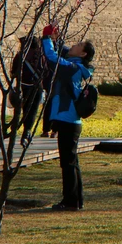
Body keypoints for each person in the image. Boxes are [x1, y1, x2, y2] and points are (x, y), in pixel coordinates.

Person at [40, 24, 95, 211]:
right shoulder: (76, 65)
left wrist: (47, 38)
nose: (74, 45)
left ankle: (70, 202)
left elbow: (52, 58)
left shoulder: (72, 68)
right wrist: (55, 38)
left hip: (68, 121)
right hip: (69, 120)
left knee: (68, 163)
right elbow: (62, 51)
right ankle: (76, 201)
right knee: (71, 162)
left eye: (79, 45)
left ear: (83, 54)